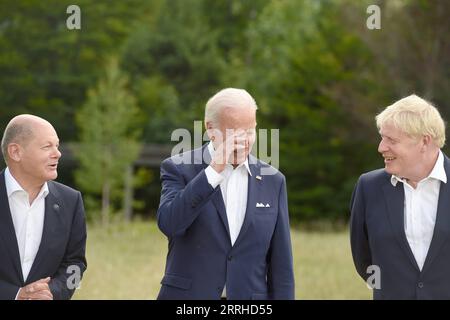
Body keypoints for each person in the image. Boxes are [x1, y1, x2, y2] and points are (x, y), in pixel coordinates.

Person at [156, 88, 294, 300]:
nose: (244, 141)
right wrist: (213, 171)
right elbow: (169, 223)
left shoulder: (274, 181)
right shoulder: (178, 168)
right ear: (210, 129)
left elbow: (281, 266)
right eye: (235, 133)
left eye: (250, 131)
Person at [350, 94, 450, 299]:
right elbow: (364, 260)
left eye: (391, 140)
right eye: (382, 137)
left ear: (424, 141)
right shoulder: (368, 188)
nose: (381, 147)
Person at [0, 114, 87, 300]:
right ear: (15, 152)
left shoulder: (71, 201)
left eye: (57, 145)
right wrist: (14, 294)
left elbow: (76, 265)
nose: (57, 153)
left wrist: (54, 293)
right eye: (47, 146)